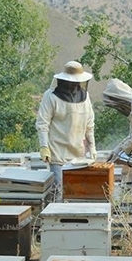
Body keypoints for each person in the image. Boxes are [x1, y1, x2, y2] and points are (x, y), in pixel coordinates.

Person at [36, 61, 97, 202]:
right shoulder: (50, 96)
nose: (74, 85)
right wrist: (44, 146)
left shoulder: (86, 97)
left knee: (77, 194)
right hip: (58, 152)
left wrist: (92, 147)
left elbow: (89, 126)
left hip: (79, 154)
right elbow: (42, 124)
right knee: (59, 192)